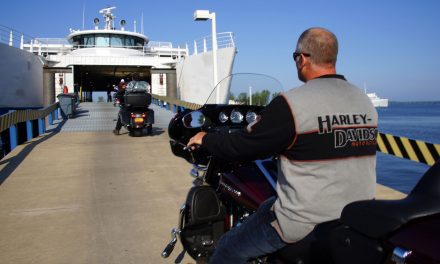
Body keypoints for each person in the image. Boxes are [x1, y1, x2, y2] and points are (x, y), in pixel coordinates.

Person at [187, 27, 378, 263]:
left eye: (295, 57)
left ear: (302, 58)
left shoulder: (292, 104)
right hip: (358, 217)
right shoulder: (364, 102)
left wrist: (205, 138)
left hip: (305, 222)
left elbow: (242, 145)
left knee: (227, 248)